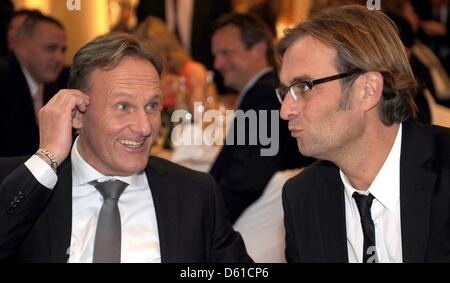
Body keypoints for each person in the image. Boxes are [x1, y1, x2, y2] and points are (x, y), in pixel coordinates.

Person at [0, 32, 252, 263]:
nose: (144, 127)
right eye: (123, 107)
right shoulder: (19, 184)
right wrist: (48, 157)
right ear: (76, 114)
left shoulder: (195, 194)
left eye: (152, 106)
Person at [277, 5, 450, 263]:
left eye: (303, 87)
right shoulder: (304, 197)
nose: (285, 111)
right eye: (285, 92)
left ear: (367, 90)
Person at [210, 13, 314, 223]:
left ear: (258, 50)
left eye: (226, 53)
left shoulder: (263, 97)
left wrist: (200, 222)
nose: (217, 63)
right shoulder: (264, 91)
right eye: (215, 55)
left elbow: (245, 181)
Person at [0, 12, 67, 157]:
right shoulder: (3, 84)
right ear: (22, 47)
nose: (59, 58)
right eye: (51, 48)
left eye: (63, 50)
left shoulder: (59, 85)